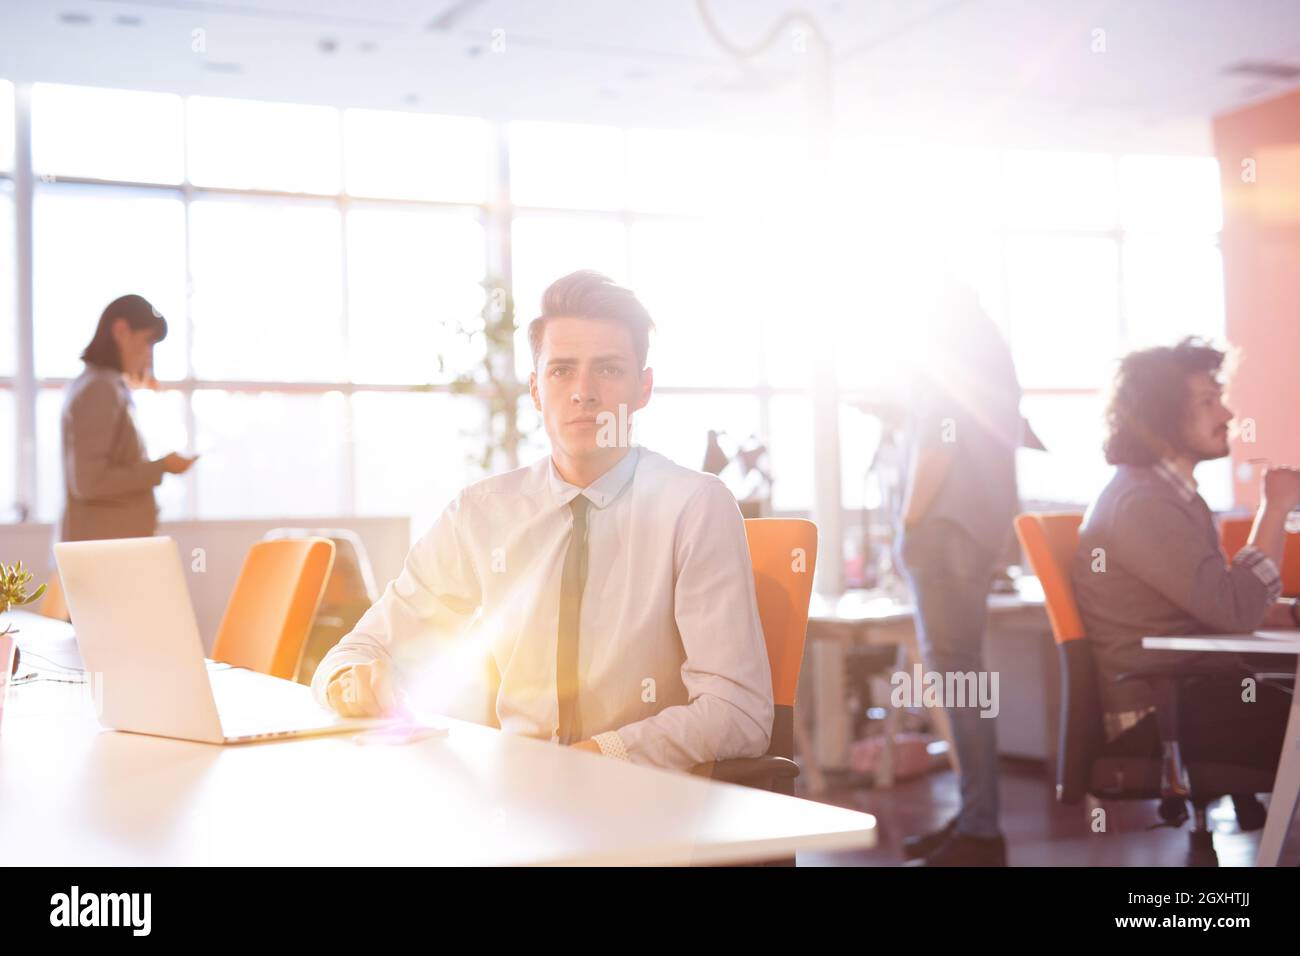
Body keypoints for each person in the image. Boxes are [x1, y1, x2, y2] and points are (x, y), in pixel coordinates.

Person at [312, 271, 773, 770]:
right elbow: (356, 649)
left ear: (644, 387)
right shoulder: (481, 514)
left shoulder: (694, 506)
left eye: (609, 370)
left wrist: (601, 755)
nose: (584, 393)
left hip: (642, 801)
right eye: (561, 371)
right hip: (516, 797)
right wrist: (352, 678)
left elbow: (738, 711)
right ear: (535, 390)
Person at [1071, 338, 1299, 822]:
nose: (1228, 412)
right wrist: (1275, 507)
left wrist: (1288, 610)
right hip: (1164, 716)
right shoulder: (1143, 505)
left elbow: (1225, 603)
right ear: (1161, 418)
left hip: (1193, 695)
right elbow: (1236, 610)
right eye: (1208, 401)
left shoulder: (1170, 497)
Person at [895, 279, 1022, 866]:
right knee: (964, 680)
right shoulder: (987, 349)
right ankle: (976, 822)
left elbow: (937, 446)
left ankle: (981, 832)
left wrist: (908, 523)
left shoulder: (948, 351)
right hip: (977, 529)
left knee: (960, 683)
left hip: (944, 532)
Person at [58, 294, 196, 544]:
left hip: (111, 549)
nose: (149, 355)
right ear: (121, 331)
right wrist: (162, 466)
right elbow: (90, 482)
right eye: (147, 342)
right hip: (106, 552)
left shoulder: (105, 386)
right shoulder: (99, 389)